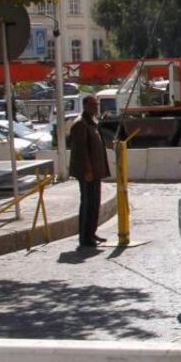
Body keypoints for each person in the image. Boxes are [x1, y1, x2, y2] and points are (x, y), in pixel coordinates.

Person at [69, 94, 110, 248]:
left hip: (96, 171)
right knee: (87, 204)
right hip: (87, 172)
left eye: (96, 104)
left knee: (95, 203)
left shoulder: (92, 122)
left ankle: (91, 233)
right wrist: (87, 169)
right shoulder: (80, 124)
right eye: (93, 104)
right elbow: (80, 151)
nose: (96, 107)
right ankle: (85, 237)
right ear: (85, 105)